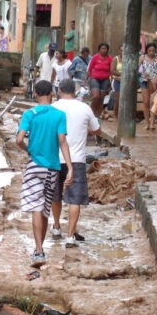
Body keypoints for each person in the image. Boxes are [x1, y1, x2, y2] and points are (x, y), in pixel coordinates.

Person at [16, 80, 73, 268]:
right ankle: (40, 251)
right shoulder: (59, 115)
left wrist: (29, 150)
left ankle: (38, 250)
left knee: (35, 207)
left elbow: (18, 140)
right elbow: (62, 141)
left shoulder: (29, 114)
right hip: (51, 168)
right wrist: (70, 168)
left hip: (33, 166)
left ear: (35, 94)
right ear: (51, 93)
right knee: (45, 209)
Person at [51, 79, 101, 247]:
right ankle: (70, 236)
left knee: (55, 195)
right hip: (77, 159)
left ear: (59, 90)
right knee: (74, 200)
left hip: (55, 158)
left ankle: (57, 227)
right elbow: (97, 129)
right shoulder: (84, 108)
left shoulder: (54, 108)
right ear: (75, 91)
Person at [85, 42, 112, 118]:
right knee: (96, 96)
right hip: (95, 78)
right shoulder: (95, 57)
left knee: (101, 97)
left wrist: (111, 82)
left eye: (105, 48)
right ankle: (91, 112)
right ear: (99, 50)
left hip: (105, 80)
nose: (104, 50)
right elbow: (89, 69)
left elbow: (111, 70)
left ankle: (98, 114)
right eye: (102, 48)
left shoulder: (110, 59)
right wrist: (86, 80)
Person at [138, 42, 157, 129]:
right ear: (147, 50)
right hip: (144, 81)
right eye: (149, 50)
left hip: (154, 81)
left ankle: (152, 123)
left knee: (153, 102)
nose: (151, 52)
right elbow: (137, 69)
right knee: (146, 102)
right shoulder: (142, 57)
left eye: (153, 51)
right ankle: (147, 123)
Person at [110, 45, 123, 121]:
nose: (123, 52)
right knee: (117, 100)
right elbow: (112, 70)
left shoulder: (128, 59)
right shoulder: (116, 59)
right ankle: (116, 115)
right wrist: (122, 74)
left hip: (126, 82)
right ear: (119, 51)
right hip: (117, 81)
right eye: (121, 50)